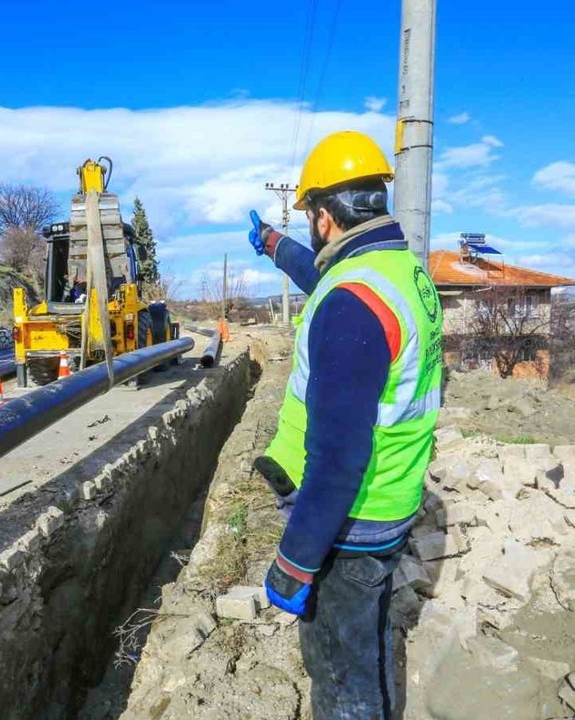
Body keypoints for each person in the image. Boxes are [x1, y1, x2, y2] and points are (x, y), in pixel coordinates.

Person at [246, 130, 443, 718]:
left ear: (326, 218)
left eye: (309, 215)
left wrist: (295, 561)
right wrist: (273, 243)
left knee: (341, 667)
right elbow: (322, 273)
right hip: (394, 494)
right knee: (367, 638)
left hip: (353, 518)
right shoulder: (399, 273)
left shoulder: (351, 304)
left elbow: (338, 458)